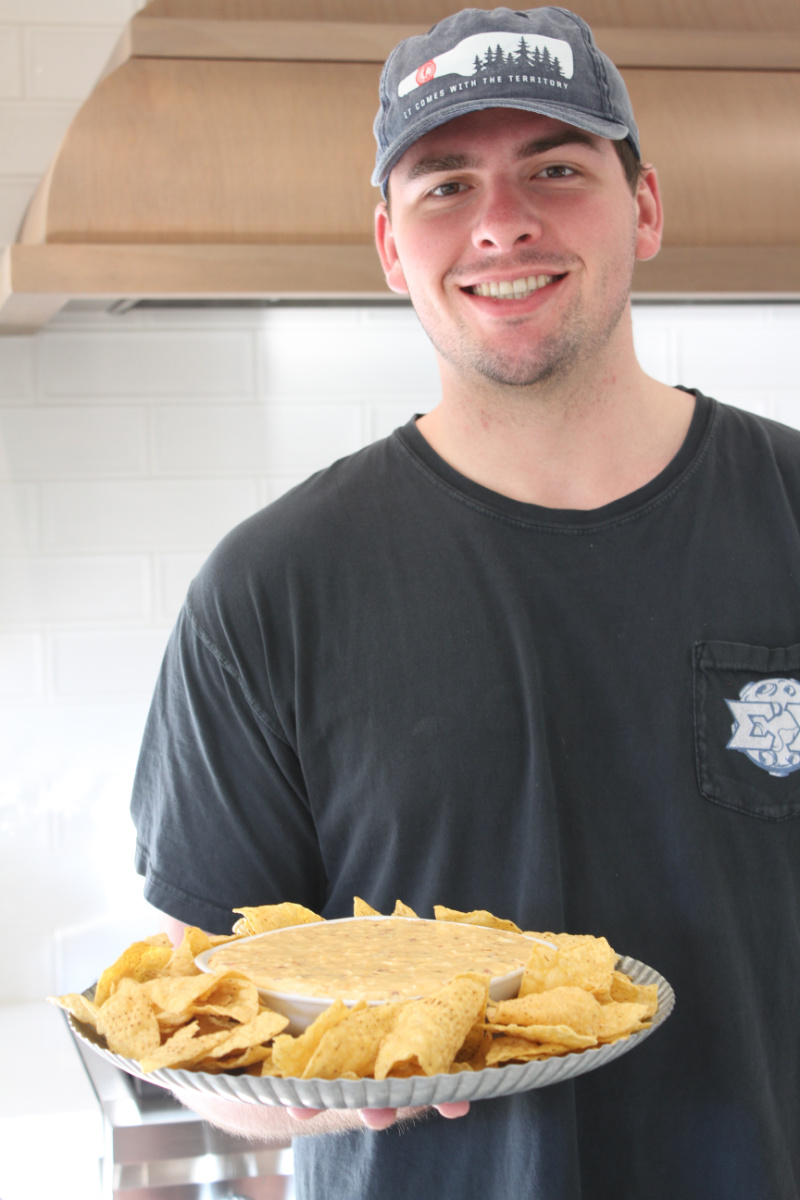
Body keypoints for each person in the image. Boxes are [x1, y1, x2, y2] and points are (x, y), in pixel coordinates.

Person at [130, 7, 800, 1199]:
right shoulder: (269, 589)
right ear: (391, 247)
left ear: (642, 206)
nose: (501, 221)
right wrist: (321, 1089)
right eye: (445, 184)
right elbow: (205, 1036)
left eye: (554, 166)